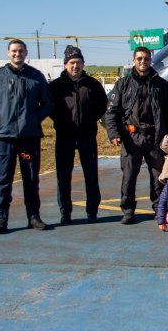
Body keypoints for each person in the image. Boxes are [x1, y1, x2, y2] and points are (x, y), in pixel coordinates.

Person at [0, 39, 54, 234]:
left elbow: (47, 104)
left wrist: (33, 120)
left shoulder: (36, 77)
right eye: (14, 51)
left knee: (30, 178)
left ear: (26, 52)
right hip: (4, 139)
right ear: (8, 53)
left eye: (20, 50)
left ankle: (34, 217)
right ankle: (1, 219)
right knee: (3, 180)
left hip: (29, 138)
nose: (17, 54)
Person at [104, 46, 168, 224]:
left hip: (155, 137)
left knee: (158, 176)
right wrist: (113, 133)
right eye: (139, 59)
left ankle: (159, 208)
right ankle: (128, 210)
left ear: (150, 60)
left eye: (146, 58)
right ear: (133, 60)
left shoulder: (161, 85)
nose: (142, 62)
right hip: (132, 138)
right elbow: (111, 111)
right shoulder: (123, 84)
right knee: (129, 176)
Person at [48, 45, 107, 225]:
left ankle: (92, 211)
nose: (75, 66)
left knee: (91, 175)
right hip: (65, 137)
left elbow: (102, 106)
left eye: (79, 62)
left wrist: (89, 120)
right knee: (63, 176)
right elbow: (51, 108)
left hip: (87, 136)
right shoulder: (56, 87)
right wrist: (62, 123)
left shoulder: (93, 85)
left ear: (83, 64)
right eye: (72, 63)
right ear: (65, 64)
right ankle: (65, 212)